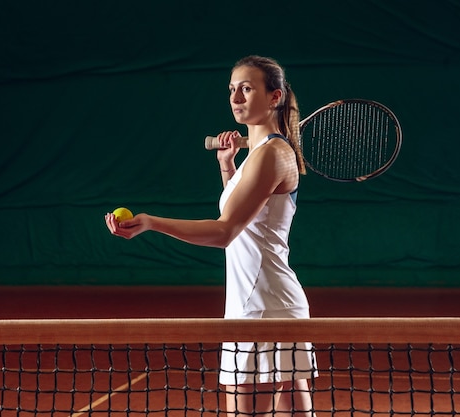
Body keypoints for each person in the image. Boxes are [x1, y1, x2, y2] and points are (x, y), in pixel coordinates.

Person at [105, 55, 316, 417]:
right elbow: (246, 221)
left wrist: (153, 222)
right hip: (268, 303)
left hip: (262, 308)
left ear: (274, 97)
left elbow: (225, 231)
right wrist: (227, 165)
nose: (236, 97)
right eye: (232, 90)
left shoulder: (273, 154)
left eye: (247, 89)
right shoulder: (260, 156)